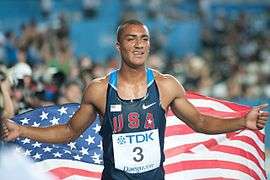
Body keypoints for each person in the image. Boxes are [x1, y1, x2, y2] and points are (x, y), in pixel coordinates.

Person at [2, 20, 269, 180]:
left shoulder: (166, 85)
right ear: (118, 46)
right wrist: (22, 130)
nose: (139, 45)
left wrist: (242, 121)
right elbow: (69, 131)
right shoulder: (98, 90)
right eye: (132, 39)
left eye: (144, 39)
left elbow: (200, 122)